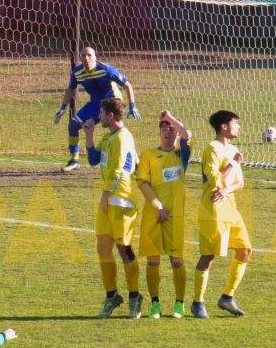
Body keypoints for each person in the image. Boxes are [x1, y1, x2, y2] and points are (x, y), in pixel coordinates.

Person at [84, 97, 142, 318]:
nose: (98, 117)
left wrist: (106, 196)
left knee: (124, 249)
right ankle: (112, 296)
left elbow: (118, 172)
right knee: (103, 248)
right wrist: (88, 135)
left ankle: (135, 297)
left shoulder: (122, 138)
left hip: (122, 201)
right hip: (108, 200)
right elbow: (93, 159)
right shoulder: (109, 137)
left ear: (109, 115)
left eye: (100, 113)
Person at [192, 109, 252, 318]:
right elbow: (214, 180)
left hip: (231, 209)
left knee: (245, 250)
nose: (239, 127)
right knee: (208, 256)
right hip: (213, 211)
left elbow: (239, 182)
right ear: (224, 126)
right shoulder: (212, 149)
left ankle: (227, 297)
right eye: (235, 123)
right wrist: (234, 163)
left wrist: (227, 190)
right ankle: (197, 303)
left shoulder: (233, 148)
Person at [136, 111, 192, 318]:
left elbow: (188, 135)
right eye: (164, 128)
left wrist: (173, 119)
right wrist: (158, 205)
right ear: (159, 132)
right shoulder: (148, 155)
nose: (168, 131)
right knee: (153, 261)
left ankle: (179, 304)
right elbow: (142, 182)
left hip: (175, 217)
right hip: (153, 214)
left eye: (172, 129)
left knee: (177, 261)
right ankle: (155, 304)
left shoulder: (181, 155)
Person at [53, 46, 140, 173]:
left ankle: (136, 162)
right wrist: (63, 108)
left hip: (111, 101)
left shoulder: (106, 70)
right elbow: (70, 89)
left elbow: (127, 84)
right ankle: (74, 160)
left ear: (95, 57)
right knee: (73, 124)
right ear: (80, 58)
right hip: (95, 104)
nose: (86, 58)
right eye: (83, 56)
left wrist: (133, 106)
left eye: (89, 55)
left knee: (119, 132)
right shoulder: (77, 72)